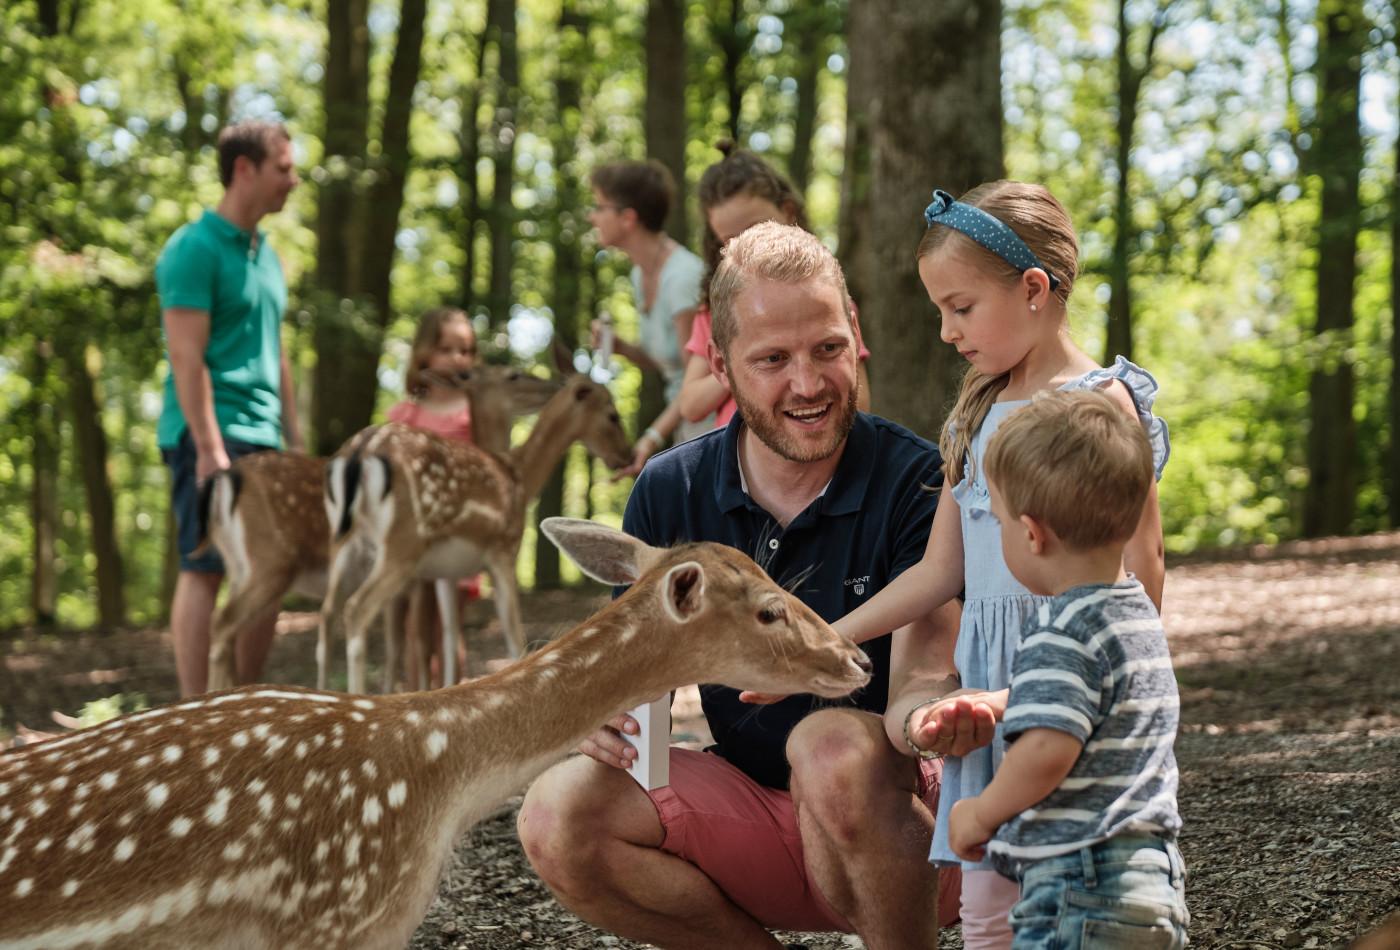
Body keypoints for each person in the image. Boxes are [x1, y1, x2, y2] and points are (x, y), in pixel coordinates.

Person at [518, 222, 966, 950]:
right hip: (754, 816)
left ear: (855, 334)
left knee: (830, 746)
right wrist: (601, 714)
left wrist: (929, 715)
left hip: (914, 833)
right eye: (771, 359)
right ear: (720, 368)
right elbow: (641, 698)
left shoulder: (916, 478)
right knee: (557, 812)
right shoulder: (672, 490)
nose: (808, 383)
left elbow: (923, 674)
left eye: (827, 348)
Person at [833, 181, 1171, 947]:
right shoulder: (975, 412)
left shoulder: (1102, 404)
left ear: (1032, 289)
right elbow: (937, 573)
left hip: (1073, 678)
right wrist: (828, 636)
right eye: (939, 311)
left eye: (961, 307)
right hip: (981, 690)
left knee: (1084, 891)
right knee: (989, 906)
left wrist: (1070, 688)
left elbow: (1142, 576)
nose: (948, 332)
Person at [946, 389, 1188, 947]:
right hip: (1153, 882)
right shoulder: (1135, 615)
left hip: (1080, 885)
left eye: (1000, 522)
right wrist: (1008, 701)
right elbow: (1103, 708)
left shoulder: (1061, 628)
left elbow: (1049, 749)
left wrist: (981, 812)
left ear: (1031, 533)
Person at [156, 119, 301, 697]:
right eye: (283, 168)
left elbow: (276, 352)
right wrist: (210, 448)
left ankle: (239, 707)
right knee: (205, 567)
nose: (293, 180)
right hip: (211, 436)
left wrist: (293, 439)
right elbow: (187, 359)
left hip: (265, 440)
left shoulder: (266, 255)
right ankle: (196, 716)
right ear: (245, 169)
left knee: (267, 576)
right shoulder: (191, 249)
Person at [677, 143, 870, 429]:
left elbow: (861, 401)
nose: (748, 243)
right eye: (729, 240)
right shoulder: (715, 312)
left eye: (756, 227)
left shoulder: (826, 301)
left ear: (789, 212)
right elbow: (690, 404)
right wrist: (747, 362)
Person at [385, 307, 483, 686]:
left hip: (458, 534)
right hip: (414, 535)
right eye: (446, 349)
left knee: (447, 625)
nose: (458, 358)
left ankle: (450, 707)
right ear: (424, 353)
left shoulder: (473, 414)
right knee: (415, 626)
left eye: (466, 350)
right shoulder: (405, 415)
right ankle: (416, 707)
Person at [587, 160, 705, 474]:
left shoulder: (682, 278)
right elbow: (671, 363)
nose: (592, 216)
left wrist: (651, 439)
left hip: (708, 426)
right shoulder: (640, 274)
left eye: (599, 207)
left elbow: (697, 376)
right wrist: (623, 348)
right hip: (684, 424)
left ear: (628, 218)